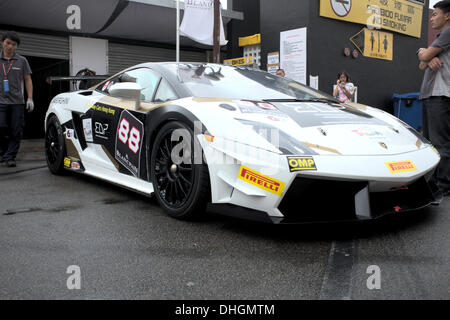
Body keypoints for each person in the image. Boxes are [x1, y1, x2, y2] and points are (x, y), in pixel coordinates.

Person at [417, 0, 450, 197]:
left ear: (447, 15)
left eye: (435, 14)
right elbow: (422, 64)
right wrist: (426, 57)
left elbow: (424, 56)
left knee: (440, 143)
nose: (431, 18)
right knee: (433, 142)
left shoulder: (448, 32)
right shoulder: (441, 37)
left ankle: (442, 185)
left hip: (440, 95)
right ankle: (438, 182)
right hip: (432, 95)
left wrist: (423, 53)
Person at [0, 31, 33, 168]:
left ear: (16, 47)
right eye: (8, 43)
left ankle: (10, 156)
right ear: (2, 43)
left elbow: (27, 79)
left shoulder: (22, 60)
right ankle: (3, 152)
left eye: (13, 44)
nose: (10, 46)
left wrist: (30, 98)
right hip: (0, 101)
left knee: (16, 130)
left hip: (17, 103)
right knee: (0, 127)